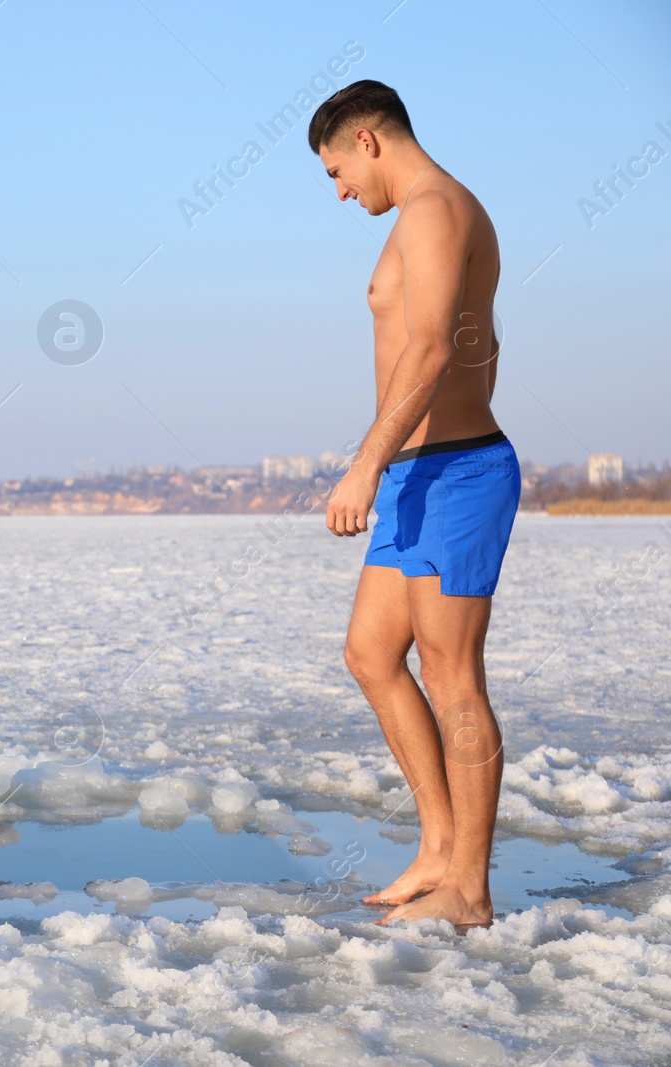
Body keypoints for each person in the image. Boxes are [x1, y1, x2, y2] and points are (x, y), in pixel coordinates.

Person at [309, 80, 520, 929]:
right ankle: (438, 846)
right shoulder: (420, 216)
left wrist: (364, 465)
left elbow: (432, 345)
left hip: (460, 470)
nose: (339, 193)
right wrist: (387, 468)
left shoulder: (436, 210)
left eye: (334, 172)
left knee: (452, 673)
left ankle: (469, 887)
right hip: (417, 473)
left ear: (366, 141)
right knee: (370, 652)